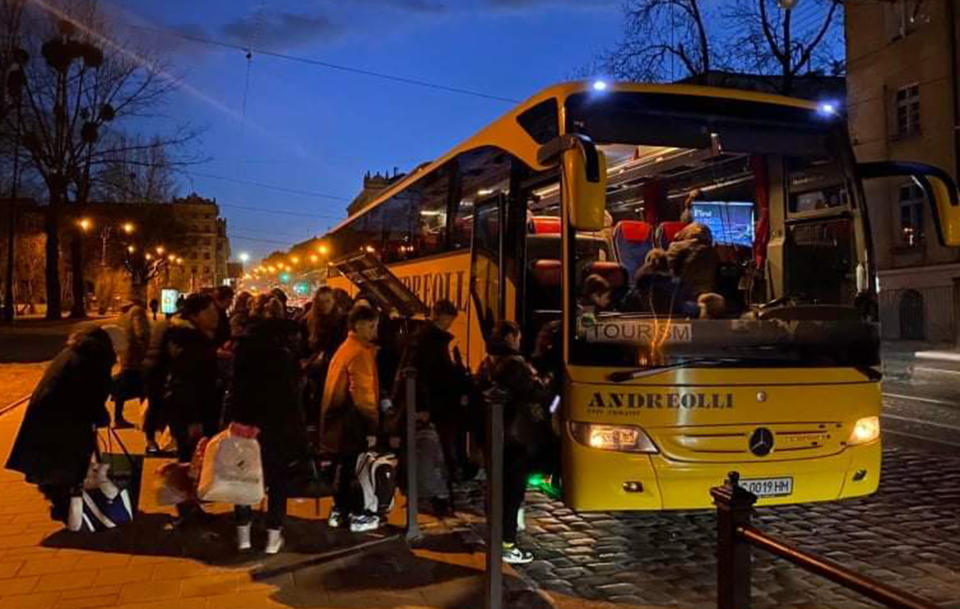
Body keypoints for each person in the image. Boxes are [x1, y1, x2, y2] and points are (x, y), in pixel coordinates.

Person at [6, 326, 115, 529]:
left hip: (46, 415)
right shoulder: (92, 360)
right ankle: (68, 509)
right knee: (69, 464)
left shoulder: (71, 354)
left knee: (52, 465)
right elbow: (90, 396)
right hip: (66, 420)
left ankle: (62, 505)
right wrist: (100, 416)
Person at [227, 295, 308, 554]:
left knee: (242, 474)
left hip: (246, 420)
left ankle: (243, 535)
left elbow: (236, 386)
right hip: (279, 422)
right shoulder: (288, 344)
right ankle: (273, 537)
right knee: (277, 479)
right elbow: (292, 390)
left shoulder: (245, 344)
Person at [477, 320, 552, 565]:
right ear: (511, 337)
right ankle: (507, 544)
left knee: (497, 489)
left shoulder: (487, 361)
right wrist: (545, 382)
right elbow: (535, 393)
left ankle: (498, 537)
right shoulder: (515, 365)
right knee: (511, 493)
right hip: (514, 438)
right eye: (517, 337)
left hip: (493, 436)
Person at [320, 304, 382, 533]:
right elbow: (363, 396)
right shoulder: (359, 353)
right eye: (371, 325)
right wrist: (372, 426)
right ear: (358, 325)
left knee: (343, 470)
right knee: (356, 469)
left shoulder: (345, 348)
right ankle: (359, 514)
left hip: (336, 421)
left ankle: (339, 511)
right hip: (350, 423)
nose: (375, 330)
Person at [397, 299, 464, 505]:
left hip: (435, 404)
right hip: (436, 405)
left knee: (435, 448)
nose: (449, 325)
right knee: (437, 448)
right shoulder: (430, 341)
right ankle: (435, 492)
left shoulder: (423, 338)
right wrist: (422, 407)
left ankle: (433, 490)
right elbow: (423, 376)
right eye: (449, 320)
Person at [163, 293, 221, 522]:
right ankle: (186, 509)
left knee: (190, 459)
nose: (215, 316)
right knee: (188, 460)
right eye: (211, 312)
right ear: (196, 315)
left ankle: (189, 506)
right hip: (190, 411)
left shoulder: (191, 337)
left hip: (192, 408)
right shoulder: (189, 341)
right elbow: (184, 382)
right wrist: (193, 418)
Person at [665, 222, 719, 316]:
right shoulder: (712, 251)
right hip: (707, 291)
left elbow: (667, 270)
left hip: (684, 292)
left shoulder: (676, 247)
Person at [112, 301, 150, 429]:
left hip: (127, 356)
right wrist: (148, 348)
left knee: (125, 389)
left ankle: (119, 418)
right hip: (137, 357)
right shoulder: (137, 311)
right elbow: (141, 332)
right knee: (144, 388)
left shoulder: (123, 315)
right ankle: (145, 419)